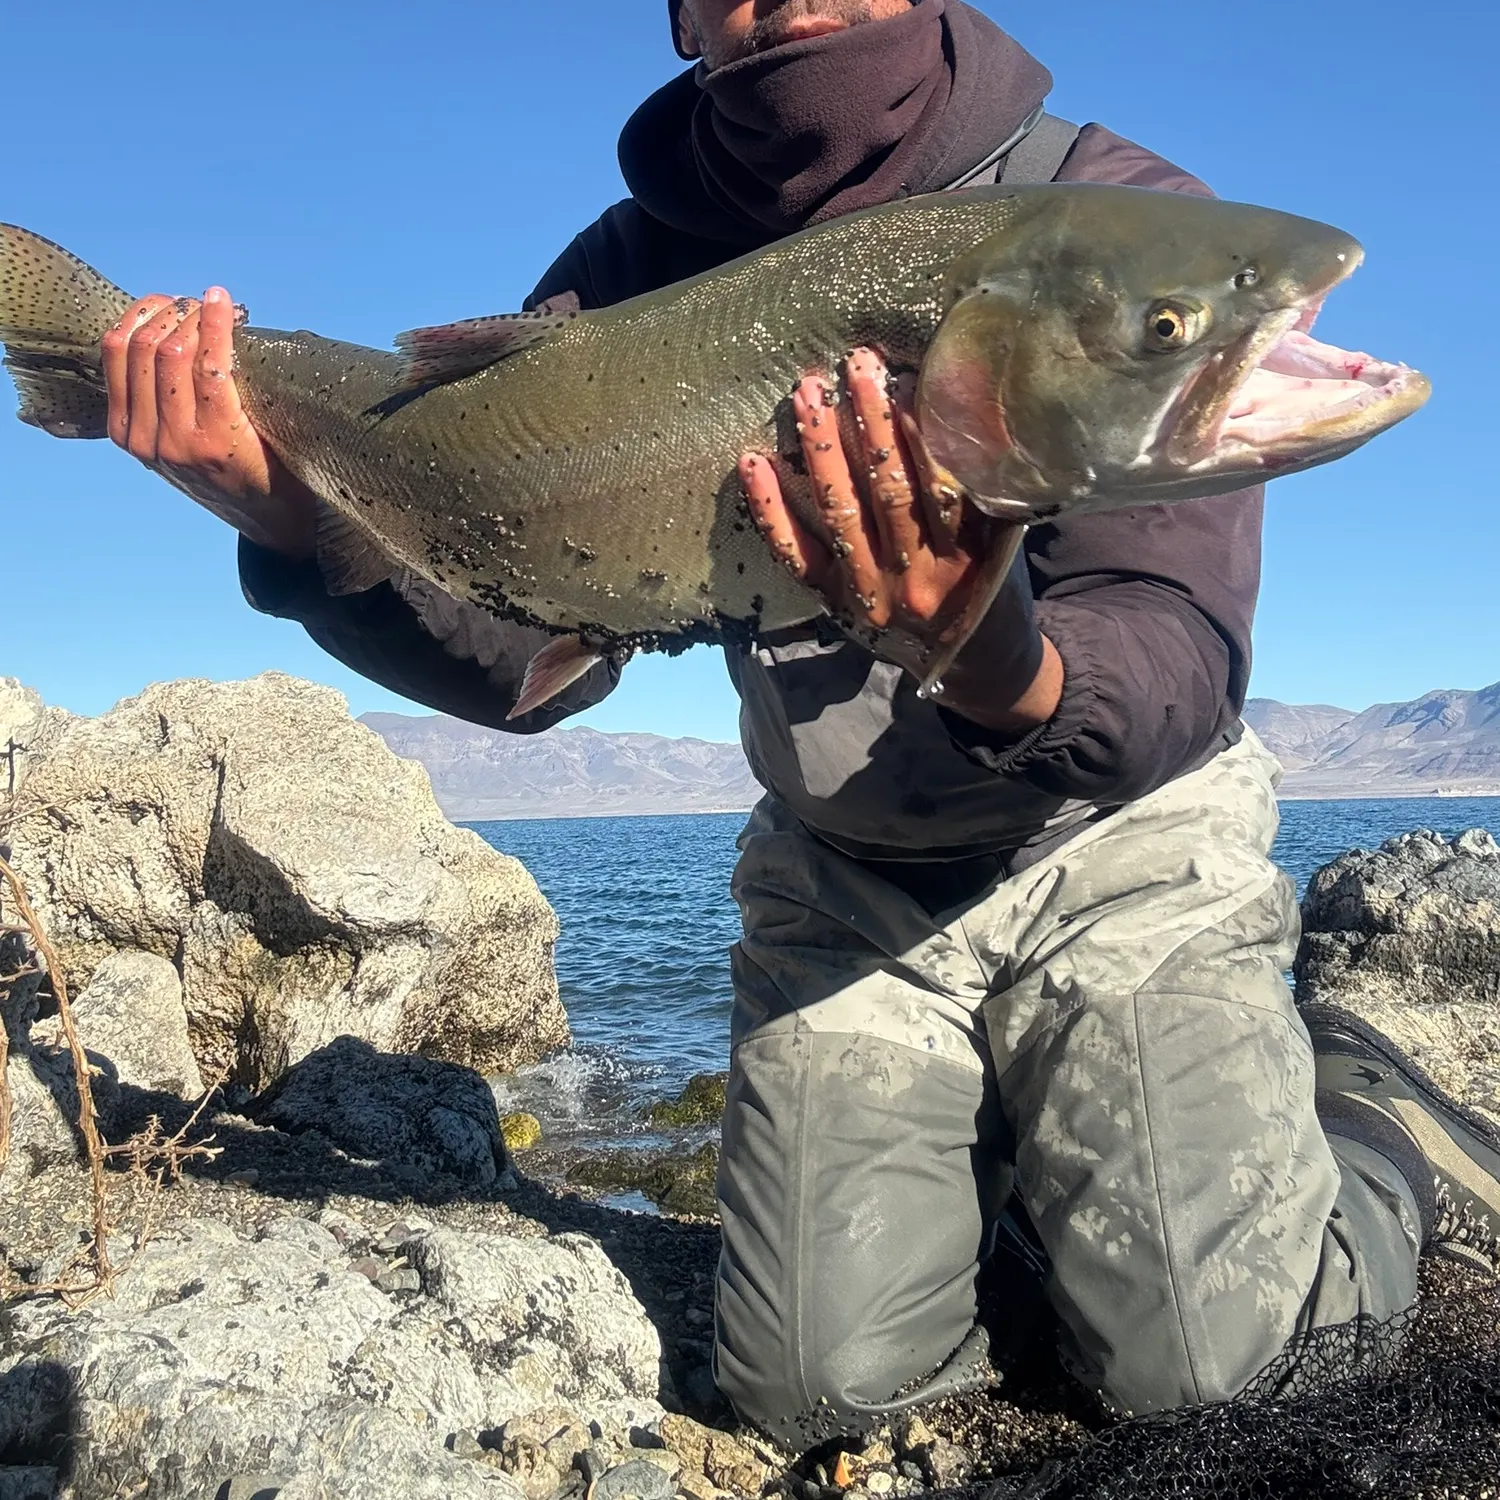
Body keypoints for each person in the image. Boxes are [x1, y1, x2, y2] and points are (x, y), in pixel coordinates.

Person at [101, 0, 1499, 1447]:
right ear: (682, 12)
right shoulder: (623, 274)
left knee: (1214, 1380)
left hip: (1123, 853)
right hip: (844, 888)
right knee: (817, 1396)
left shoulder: (1117, 220)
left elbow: (1171, 655)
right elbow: (534, 658)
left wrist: (991, 652)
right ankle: (1039, 1177)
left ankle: (1377, 1139)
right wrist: (296, 515)